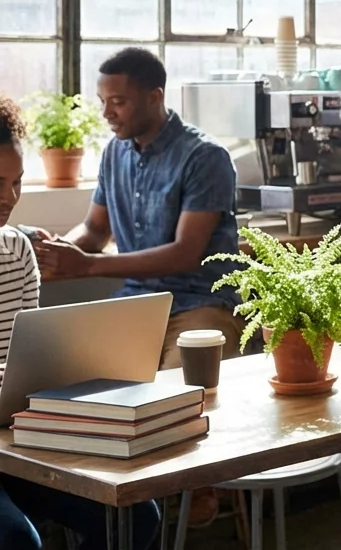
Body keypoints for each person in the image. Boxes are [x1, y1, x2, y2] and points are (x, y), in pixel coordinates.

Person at [34, 48, 242, 529]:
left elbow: (185, 253)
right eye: (104, 101)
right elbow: (93, 231)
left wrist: (85, 268)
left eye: (119, 102)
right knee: (72, 382)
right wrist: (53, 253)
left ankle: (196, 490)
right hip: (137, 304)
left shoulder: (205, 157)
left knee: (177, 394)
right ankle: (112, 505)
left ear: (154, 97)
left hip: (200, 303)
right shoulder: (113, 154)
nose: (107, 113)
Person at [0, 94, 160, 550]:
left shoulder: (15, 253)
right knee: (16, 540)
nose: (9, 198)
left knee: (134, 517)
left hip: (15, 435)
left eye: (17, 182)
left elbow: (19, 360)